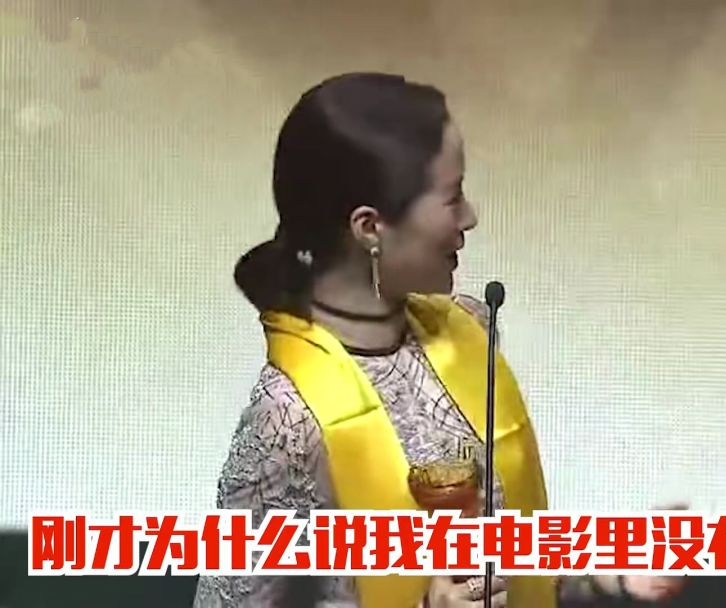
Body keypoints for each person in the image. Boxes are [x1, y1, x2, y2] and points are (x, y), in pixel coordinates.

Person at [192, 73, 685, 607]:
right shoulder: (287, 419)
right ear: (369, 227)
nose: (469, 217)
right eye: (452, 197)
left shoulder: (468, 330)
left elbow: (509, 563)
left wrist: (611, 573)